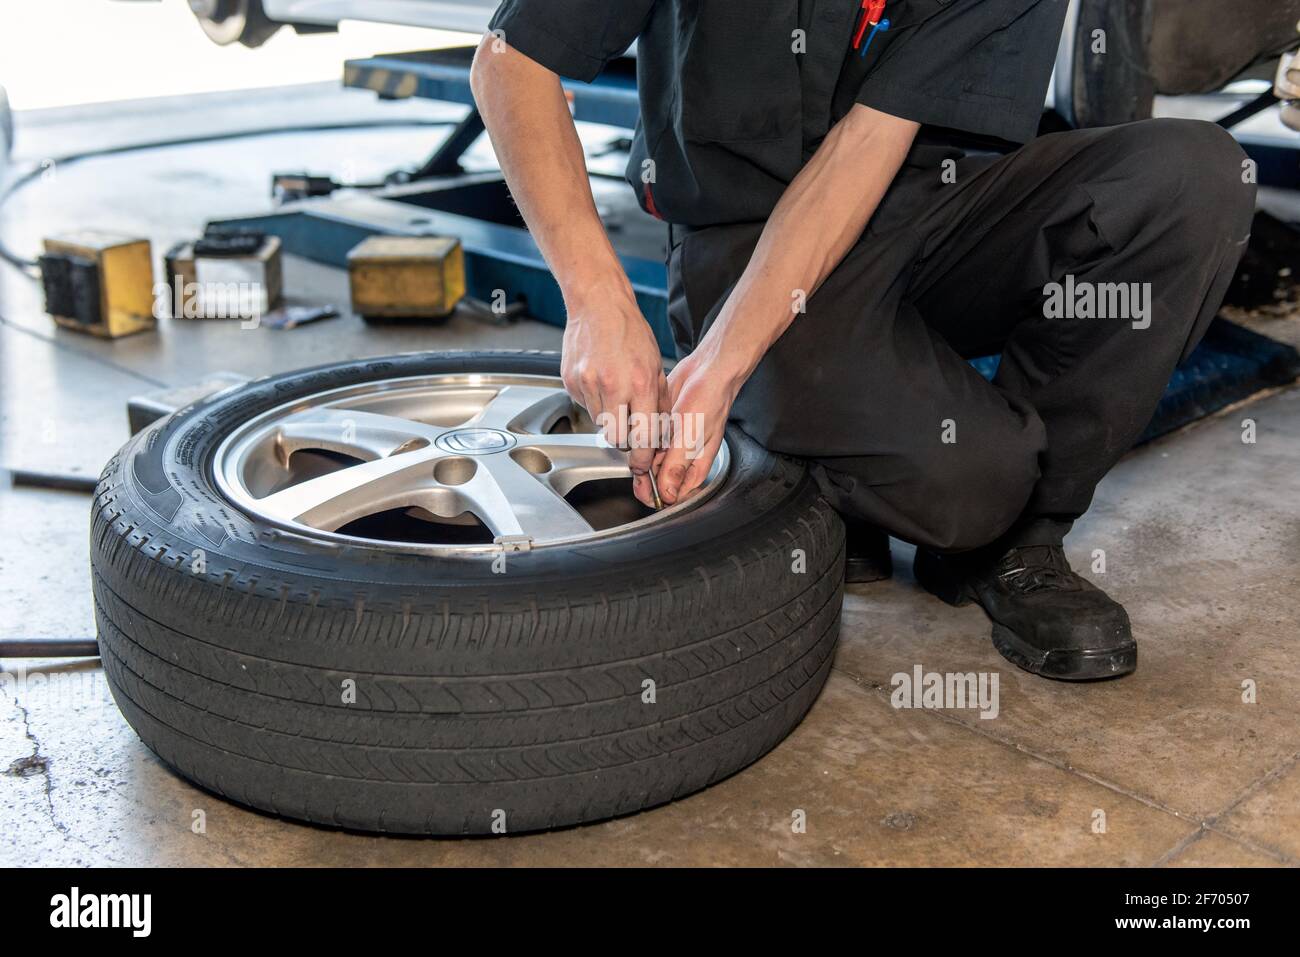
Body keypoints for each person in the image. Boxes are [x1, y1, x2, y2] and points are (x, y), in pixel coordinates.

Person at [469, 0, 1256, 680]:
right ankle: (860, 449)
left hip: (931, 207)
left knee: (1193, 180)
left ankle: (1019, 540)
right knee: (972, 480)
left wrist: (719, 368)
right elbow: (511, 62)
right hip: (741, 236)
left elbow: (869, 142)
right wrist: (600, 300)